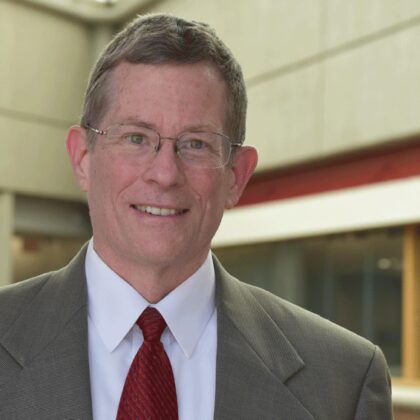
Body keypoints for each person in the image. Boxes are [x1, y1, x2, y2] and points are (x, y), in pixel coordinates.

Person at [0, 13, 393, 420]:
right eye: (136, 137)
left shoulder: (343, 382)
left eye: (196, 144)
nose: (166, 174)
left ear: (236, 176)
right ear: (82, 158)